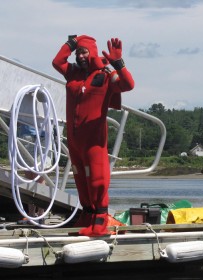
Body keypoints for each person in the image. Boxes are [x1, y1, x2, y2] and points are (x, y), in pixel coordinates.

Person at [52, 35, 134, 236]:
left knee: (97, 179)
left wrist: (118, 63)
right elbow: (57, 62)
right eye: (78, 52)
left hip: (94, 140)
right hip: (75, 139)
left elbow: (127, 85)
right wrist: (71, 43)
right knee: (80, 178)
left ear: (93, 52)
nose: (80, 55)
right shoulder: (73, 74)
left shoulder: (105, 74)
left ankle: (101, 217)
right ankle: (87, 214)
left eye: (84, 51)